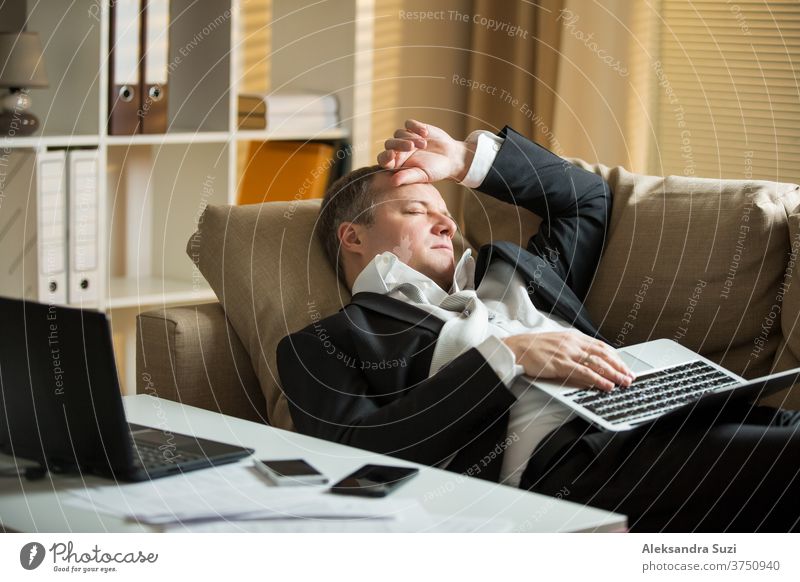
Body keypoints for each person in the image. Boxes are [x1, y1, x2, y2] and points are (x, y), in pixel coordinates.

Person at [277, 120, 800, 532]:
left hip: (656, 413)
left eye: (445, 211)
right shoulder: (323, 343)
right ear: (352, 237)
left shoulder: (514, 270)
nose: (448, 224)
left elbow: (585, 199)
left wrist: (465, 159)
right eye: (417, 209)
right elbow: (362, 454)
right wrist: (508, 356)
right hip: (566, 468)